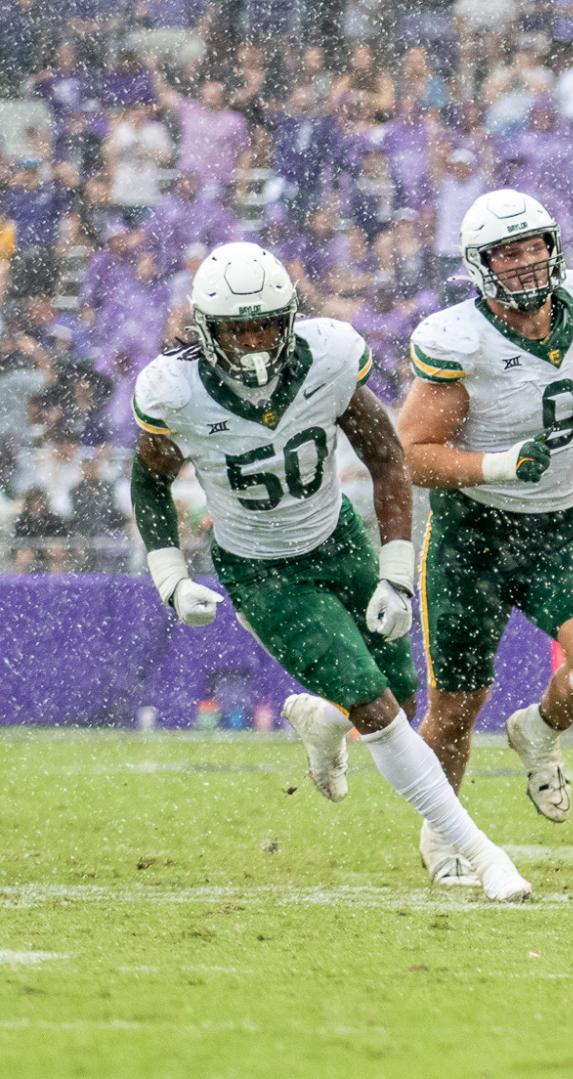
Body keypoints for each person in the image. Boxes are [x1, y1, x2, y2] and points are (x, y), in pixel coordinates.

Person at [128, 243, 529, 901]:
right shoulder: (176, 390)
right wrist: (170, 573)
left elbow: (385, 456)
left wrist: (397, 567)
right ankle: (481, 852)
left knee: (397, 695)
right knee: (376, 707)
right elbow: (149, 479)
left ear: (290, 317)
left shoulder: (329, 357)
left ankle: (322, 718)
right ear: (207, 329)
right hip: (262, 569)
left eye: (265, 324)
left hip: (337, 539)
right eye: (237, 328)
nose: (255, 342)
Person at [398, 190, 573, 883]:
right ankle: (444, 832)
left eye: (534, 245)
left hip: (557, 527)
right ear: (480, 265)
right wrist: (498, 464)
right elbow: (412, 452)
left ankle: (538, 729)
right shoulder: (460, 338)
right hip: (470, 534)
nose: (526, 261)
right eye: (508, 252)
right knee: (454, 709)